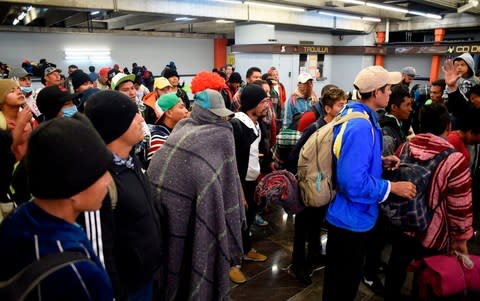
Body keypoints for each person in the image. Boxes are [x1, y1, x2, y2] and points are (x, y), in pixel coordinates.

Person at [322, 66, 417, 301]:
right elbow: (352, 183)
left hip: (350, 216)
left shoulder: (358, 115)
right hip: (350, 220)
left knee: (339, 282)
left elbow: (350, 161)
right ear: (376, 92)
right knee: (342, 287)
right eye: (388, 88)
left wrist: (379, 162)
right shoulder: (361, 126)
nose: (391, 92)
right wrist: (392, 187)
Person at [0, 115, 114, 301]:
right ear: (73, 188)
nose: (108, 181)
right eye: (100, 173)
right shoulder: (79, 276)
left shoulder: (18, 218)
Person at [147, 88, 244, 300]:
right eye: (214, 113)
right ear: (200, 111)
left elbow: (224, 177)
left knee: (185, 255)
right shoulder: (214, 133)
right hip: (179, 208)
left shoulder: (188, 129)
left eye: (221, 114)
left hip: (190, 209)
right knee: (184, 257)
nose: (220, 118)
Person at [384, 103, 474, 301]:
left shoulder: (405, 147)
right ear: (448, 127)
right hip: (432, 232)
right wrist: (461, 239)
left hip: (402, 223)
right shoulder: (455, 160)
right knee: (428, 275)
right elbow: (460, 206)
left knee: (396, 267)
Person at [84, 91, 163, 301]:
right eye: (133, 115)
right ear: (115, 126)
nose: (140, 119)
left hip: (147, 276)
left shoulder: (131, 161)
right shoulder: (100, 180)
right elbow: (99, 250)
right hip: (126, 289)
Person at [286, 87, 347, 285]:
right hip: (310, 184)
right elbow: (295, 155)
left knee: (316, 221)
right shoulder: (314, 128)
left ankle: (313, 253)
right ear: (328, 108)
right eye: (340, 105)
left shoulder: (337, 127)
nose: (343, 108)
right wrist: (304, 180)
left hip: (326, 185)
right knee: (303, 226)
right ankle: (297, 265)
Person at [230, 84, 270, 282]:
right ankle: (232, 263)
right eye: (263, 102)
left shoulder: (256, 123)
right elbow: (233, 162)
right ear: (252, 104)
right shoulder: (237, 125)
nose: (267, 105)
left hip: (252, 179)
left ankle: (246, 249)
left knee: (248, 217)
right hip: (240, 183)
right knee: (237, 221)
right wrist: (239, 192)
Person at [147, 93, 188, 161]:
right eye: (181, 107)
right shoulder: (158, 141)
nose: (186, 111)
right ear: (169, 113)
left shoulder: (176, 132)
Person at [380, 84, 413, 156]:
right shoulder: (387, 132)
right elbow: (387, 164)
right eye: (407, 105)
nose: (411, 109)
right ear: (394, 107)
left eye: (411, 105)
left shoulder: (397, 125)